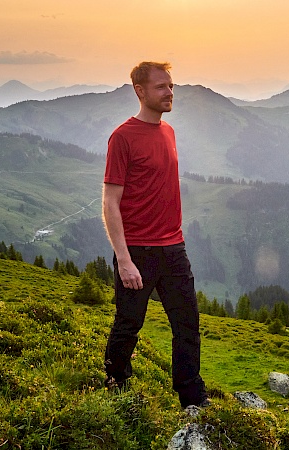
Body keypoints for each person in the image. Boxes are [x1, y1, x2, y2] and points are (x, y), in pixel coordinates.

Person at [102, 61, 210, 409]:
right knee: (128, 324)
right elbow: (110, 202)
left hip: (173, 248)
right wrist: (124, 260)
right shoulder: (122, 137)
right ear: (140, 91)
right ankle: (117, 390)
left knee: (187, 325)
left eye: (172, 86)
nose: (170, 93)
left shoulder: (169, 132)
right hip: (137, 251)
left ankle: (192, 399)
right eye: (162, 86)